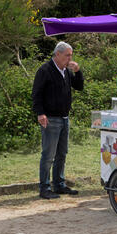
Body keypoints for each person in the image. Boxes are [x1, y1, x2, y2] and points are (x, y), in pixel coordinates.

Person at [32, 41, 84, 200]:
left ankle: (59, 184)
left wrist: (78, 71)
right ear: (58, 54)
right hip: (51, 118)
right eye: (67, 55)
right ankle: (44, 187)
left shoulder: (66, 71)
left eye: (71, 56)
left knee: (62, 153)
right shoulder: (45, 70)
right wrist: (40, 113)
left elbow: (79, 87)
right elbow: (36, 94)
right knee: (48, 154)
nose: (70, 58)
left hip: (64, 117)